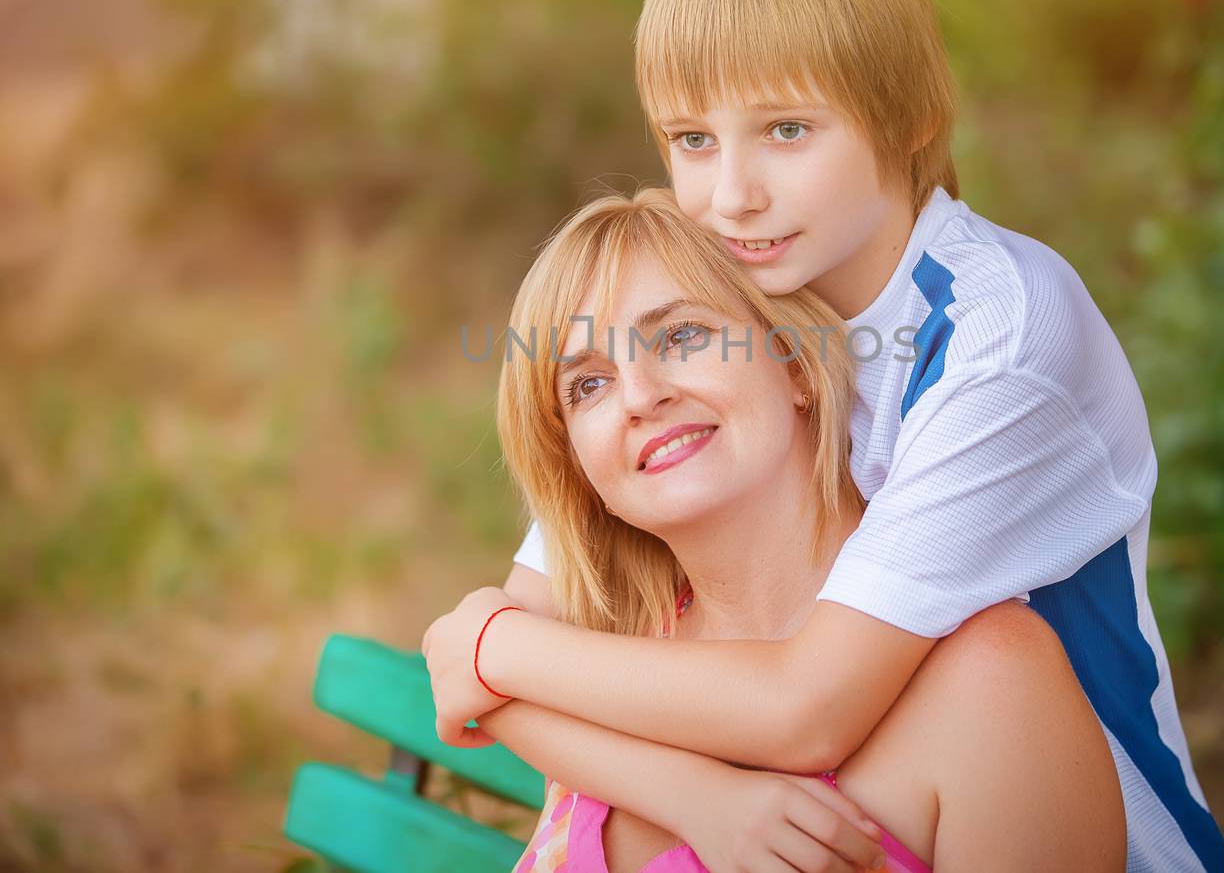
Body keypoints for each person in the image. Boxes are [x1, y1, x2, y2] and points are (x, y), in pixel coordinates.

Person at [425, 0, 1224, 871]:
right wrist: (695, 794)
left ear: (908, 115)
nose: (729, 193)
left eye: (787, 130)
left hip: (1025, 812)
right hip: (813, 798)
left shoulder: (998, 337)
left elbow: (801, 706)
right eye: (691, 139)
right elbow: (514, 666)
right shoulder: (726, 297)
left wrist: (484, 640)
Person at [471, 188, 1123, 871]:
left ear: (794, 360)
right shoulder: (606, 657)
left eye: (682, 335)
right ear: (579, 464)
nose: (640, 394)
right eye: (589, 385)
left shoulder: (991, 684)